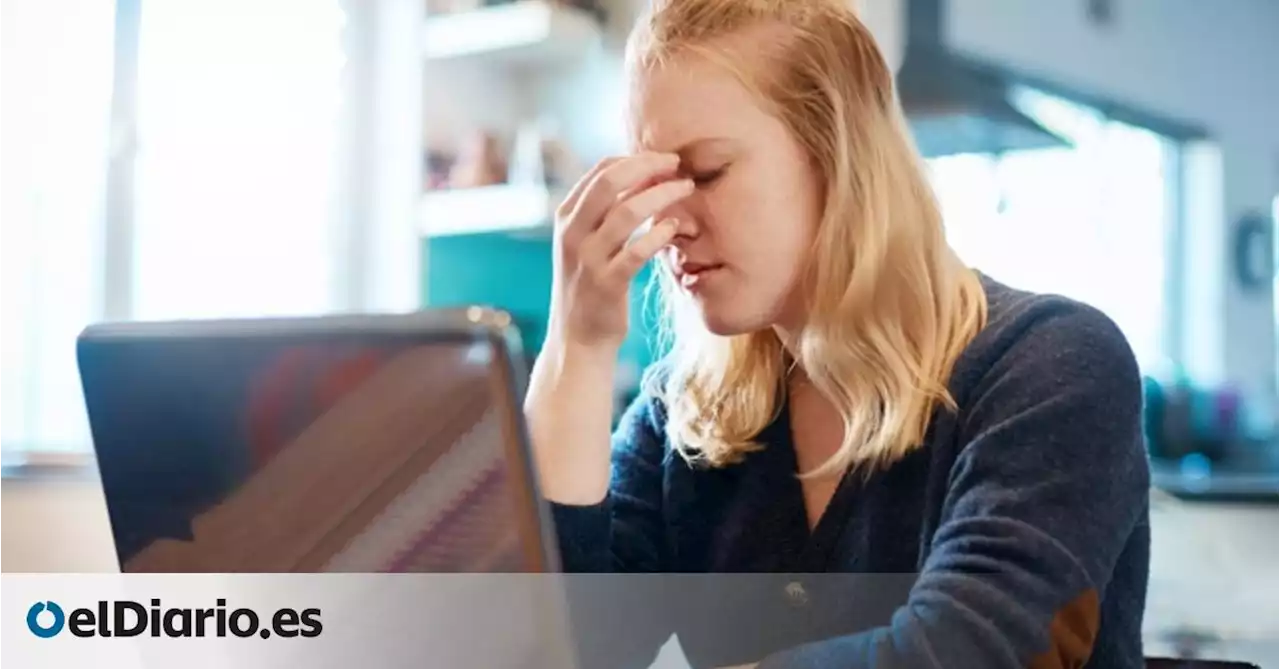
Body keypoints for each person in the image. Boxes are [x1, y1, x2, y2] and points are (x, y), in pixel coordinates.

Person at [522, 0, 1152, 667]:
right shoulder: (685, 416)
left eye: (705, 172)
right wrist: (578, 345)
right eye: (655, 180)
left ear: (837, 155)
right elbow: (553, 650)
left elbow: (971, 649)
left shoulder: (1054, 367)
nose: (670, 222)